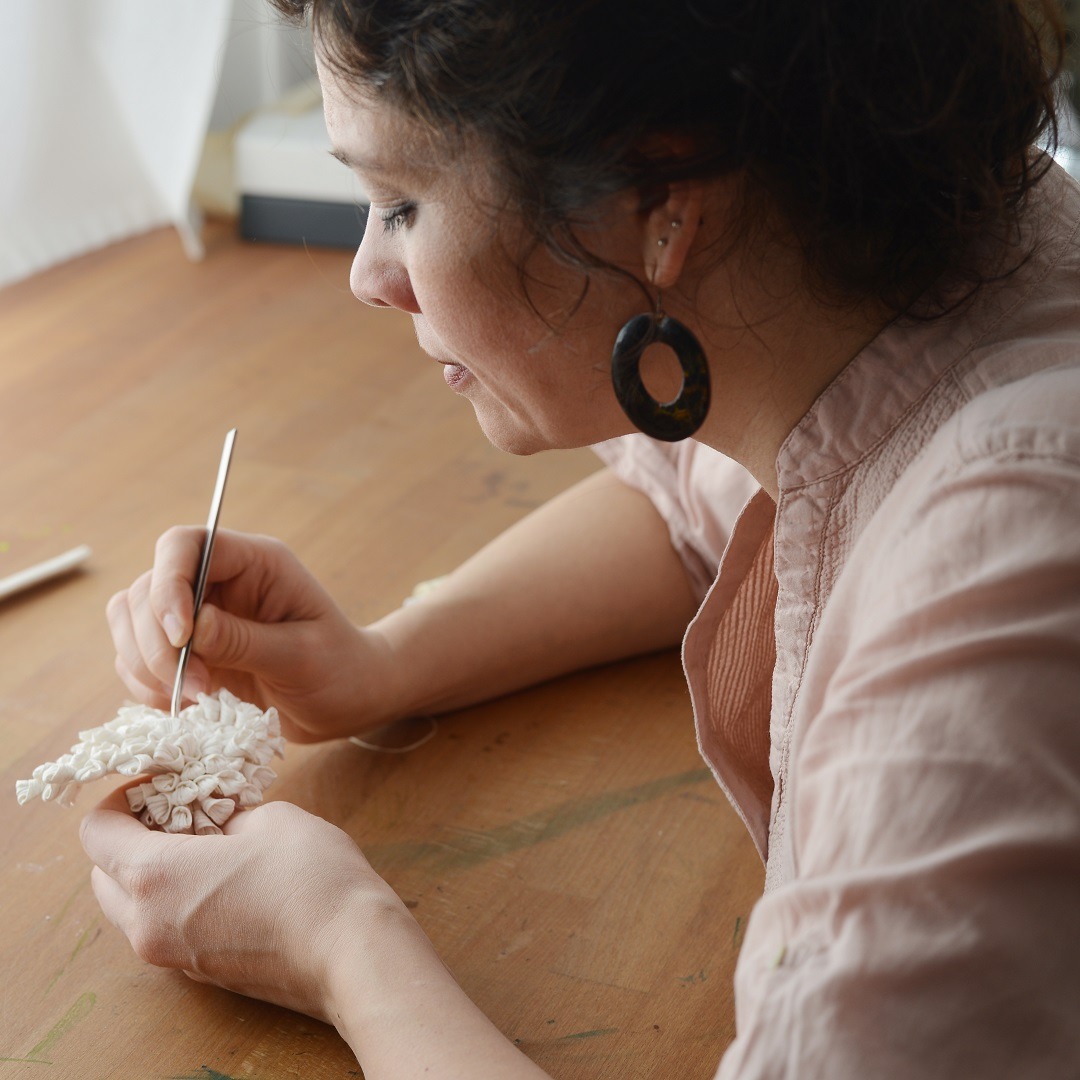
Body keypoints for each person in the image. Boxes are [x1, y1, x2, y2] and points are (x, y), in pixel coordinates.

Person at [78, 1, 1080, 1076]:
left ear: (660, 199)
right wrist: (382, 662)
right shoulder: (933, 262)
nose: (369, 274)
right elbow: (697, 501)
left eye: (400, 201)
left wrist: (339, 946)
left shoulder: (998, 570)